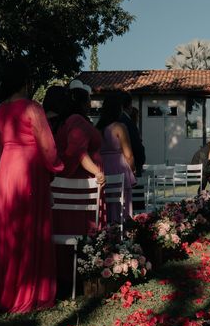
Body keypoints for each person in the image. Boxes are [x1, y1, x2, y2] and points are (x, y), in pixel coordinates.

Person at [0, 61, 64, 312]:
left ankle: (0, 289)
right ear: (25, 83)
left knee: (6, 227)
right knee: (29, 228)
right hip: (29, 170)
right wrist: (57, 167)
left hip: (7, 168)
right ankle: (26, 291)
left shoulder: (0, 110)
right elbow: (48, 147)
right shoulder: (32, 108)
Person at [54, 85, 106, 233]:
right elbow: (78, 151)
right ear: (81, 103)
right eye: (88, 101)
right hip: (83, 180)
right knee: (81, 224)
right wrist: (97, 172)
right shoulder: (76, 120)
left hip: (84, 178)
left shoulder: (70, 120)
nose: (90, 104)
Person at [96, 92, 136, 222]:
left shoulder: (97, 129)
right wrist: (133, 170)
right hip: (120, 168)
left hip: (102, 168)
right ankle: (121, 233)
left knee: (105, 204)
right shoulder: (119, 127)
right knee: (122, 204)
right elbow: (128, 154)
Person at [119, 91, 145, 176]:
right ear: (129, 105)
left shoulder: (112, 121)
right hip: (129, 166)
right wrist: (139, 162)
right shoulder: (128, 123)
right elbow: (135, 146)